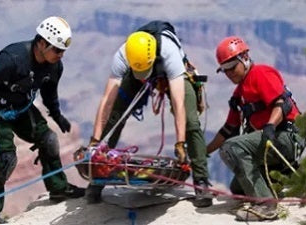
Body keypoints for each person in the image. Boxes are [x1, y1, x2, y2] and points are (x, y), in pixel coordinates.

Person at [86, 21, 212, 207]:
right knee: (115, 116)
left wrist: (179, 143)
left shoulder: (170, 54)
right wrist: (95, 142)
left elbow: (178, 104)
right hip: (137, 69)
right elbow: (107, 101)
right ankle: (97, 176)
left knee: (191, 122)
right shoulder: (123, 55)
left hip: (171, 73)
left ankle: (201, 182)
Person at [0, 16, 85, 224]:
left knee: (49, 139)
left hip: (21, 108)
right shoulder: (12, 58)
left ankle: (58, 189)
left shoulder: (54, 67)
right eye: (57, 50)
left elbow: (50, 94)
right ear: (41, 43)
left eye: (63, 52)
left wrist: (57, 116)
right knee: (6, 157)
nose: (61, 56)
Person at [207, 36, 304, 221]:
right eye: (225, 70)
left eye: (232, 67)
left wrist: (269, 126)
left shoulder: (261, 73)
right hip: (272, 139)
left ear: (244, 59)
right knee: (238, 187)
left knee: (231, 148)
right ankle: (282, 177)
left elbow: (282, 104)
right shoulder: (239, 93)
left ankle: (266, 205)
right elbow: (229, 129)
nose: (230, 74)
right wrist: (204, 152)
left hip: (285, 136)